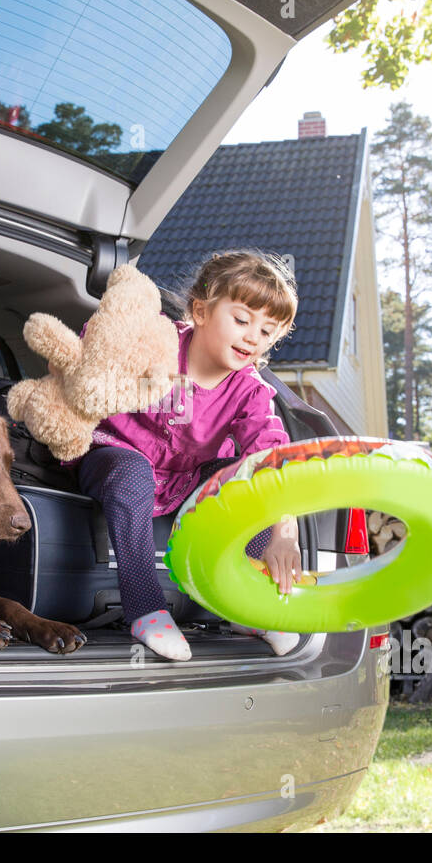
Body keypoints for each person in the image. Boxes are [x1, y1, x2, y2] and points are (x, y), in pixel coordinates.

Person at [63, 250, 303, 662]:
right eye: (243, 320)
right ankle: (145, 609)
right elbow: (98, 347)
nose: (253, 338)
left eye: (268, 332)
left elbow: (270, 457)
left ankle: (244, 604)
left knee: (247, 476)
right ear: (201, 310)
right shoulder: (156, 342)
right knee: (131, 472)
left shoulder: (250, 390)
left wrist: (283, 532)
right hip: (114, 458)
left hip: (183, 479)